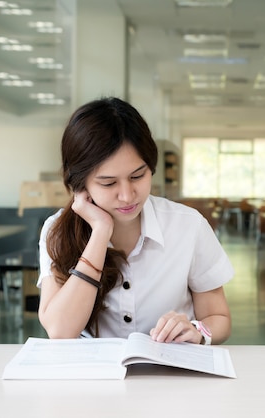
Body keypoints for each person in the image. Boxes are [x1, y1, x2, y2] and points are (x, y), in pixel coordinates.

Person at [37, 96, 234, 345]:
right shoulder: (57, 230)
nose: (127, 195)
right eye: (108, 183)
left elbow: (218, 318)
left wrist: (197, 331)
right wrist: (100, 232)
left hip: (169, 375)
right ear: (79, 184)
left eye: (138, 176)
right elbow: (60, 331)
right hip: (93, 379)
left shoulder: (188, 226)